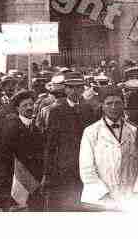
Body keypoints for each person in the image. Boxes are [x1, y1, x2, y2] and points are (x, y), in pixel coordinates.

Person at [42, 71, 96, 210]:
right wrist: (48, 173)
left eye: (78, 87)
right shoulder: (56, 111)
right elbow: (51, 144)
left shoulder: (88, 109)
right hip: (65, 167)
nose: (74, 91)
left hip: (85, 164)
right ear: (65, 89)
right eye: (71, 87)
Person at [79, 86, 138, 209]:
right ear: (102, 106)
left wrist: (136, 190)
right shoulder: (91, 132)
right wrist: (103, 193)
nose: (113, 107)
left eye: (117, 103)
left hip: (129, 195)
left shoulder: (133, 131)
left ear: (123, 105)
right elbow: (86, 168)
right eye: (109, 103)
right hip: (101, 199)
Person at [0, 90, 43, 210]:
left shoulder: (36, 127)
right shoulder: (12, 127)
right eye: (25, 105)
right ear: (17, 108)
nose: (29, 108)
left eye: (31, 104)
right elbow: (5, 155)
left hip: (34, 177)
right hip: (16, 177)